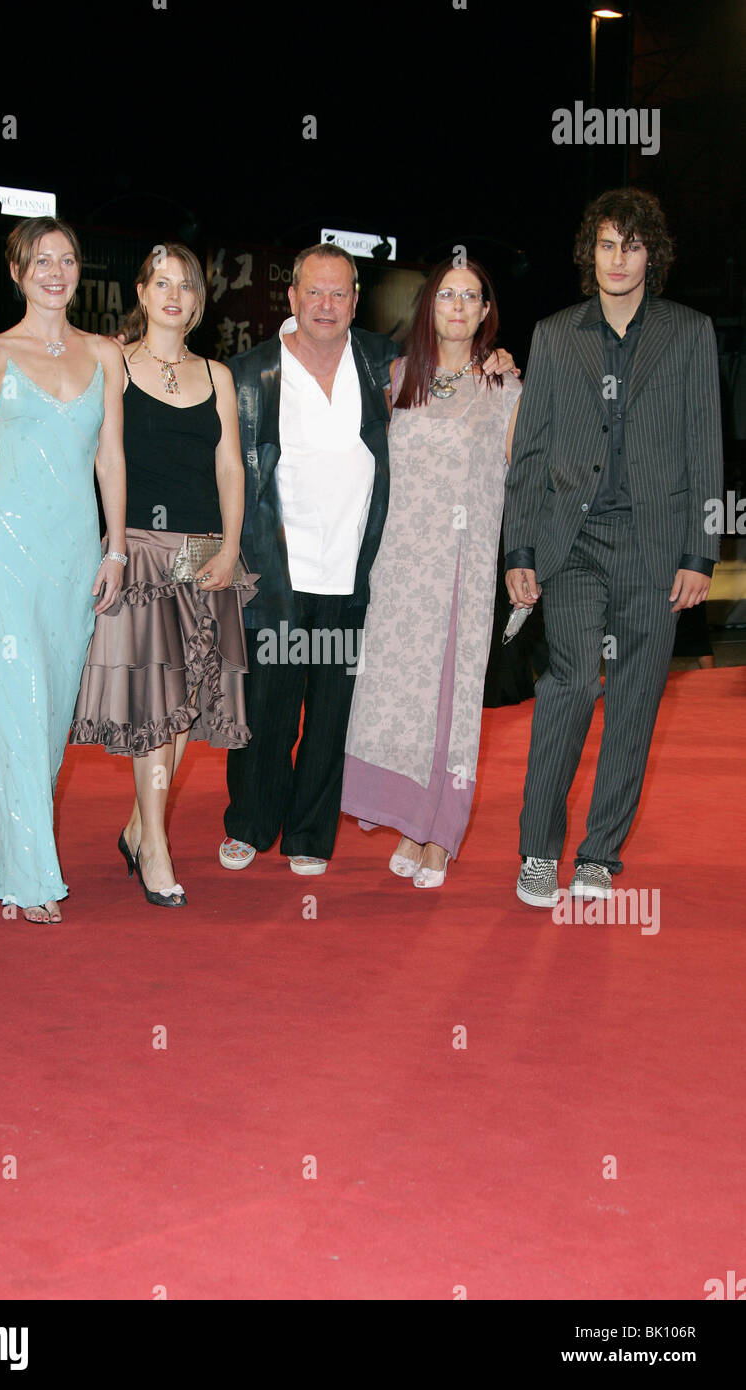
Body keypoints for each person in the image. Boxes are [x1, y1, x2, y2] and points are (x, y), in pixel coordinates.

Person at [219, 243, 517, 876]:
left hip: (358, 570)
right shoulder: (250, 372)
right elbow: (227, 471)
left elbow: (460, 394)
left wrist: (495, 361)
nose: (326, 305)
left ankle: (309, 837)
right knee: (267, 702)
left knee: (332, 713)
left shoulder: (381, 362)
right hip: (278, 568)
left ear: (356, 301)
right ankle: (248, 822)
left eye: (340, 292)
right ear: (292, 297)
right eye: (314, 292)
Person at [503, 188, 723, 907]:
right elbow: (529, 455)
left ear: (649, 256)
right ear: (588, 253)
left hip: (656, 549)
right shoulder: (554, 333)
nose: (617, 258)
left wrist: (699, 553)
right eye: (605, 244)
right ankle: (538, 850)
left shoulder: (688, 333)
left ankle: (598, 853)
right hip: (574, 543)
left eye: (631, 245)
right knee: (566, 685)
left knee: (632, 699)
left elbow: (703, 446)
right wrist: (518, 551)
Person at [0, 217, 127, 923]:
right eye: (40, 260)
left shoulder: (104, 353)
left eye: (67, 259)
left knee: (48, 716)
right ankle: (29, 878)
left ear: (79, 272)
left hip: (75, 555)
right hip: (3, 550)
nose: (55, 270)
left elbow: (110, 459)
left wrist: (116, 548)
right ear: (17, 272)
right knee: (18, 702)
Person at [69, 243, 252, 908]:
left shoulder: (218, 375)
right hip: (142, 547)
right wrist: (114, 546)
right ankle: (156, 848)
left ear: (200, 302)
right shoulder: (112, 362)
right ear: (141, 293)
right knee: (154, 705)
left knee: (180, 713)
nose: (174, 294)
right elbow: (99, 454)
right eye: (161, 283)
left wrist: (230, 546)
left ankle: (137, 827)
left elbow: (231, 467)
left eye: (186, 285)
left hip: (204, 551)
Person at [341, 257, 521, 887]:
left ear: (485, 312)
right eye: (447, 294)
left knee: (452, 697)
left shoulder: (505, 390)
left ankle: (439, 835)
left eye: (472, 296)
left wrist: (520, 563)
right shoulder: (398, 378)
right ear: (429, 306)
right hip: (400, 566)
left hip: (460, 569)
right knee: (401, 696)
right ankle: (411, 820)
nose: (458, 306)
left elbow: (521, 483)